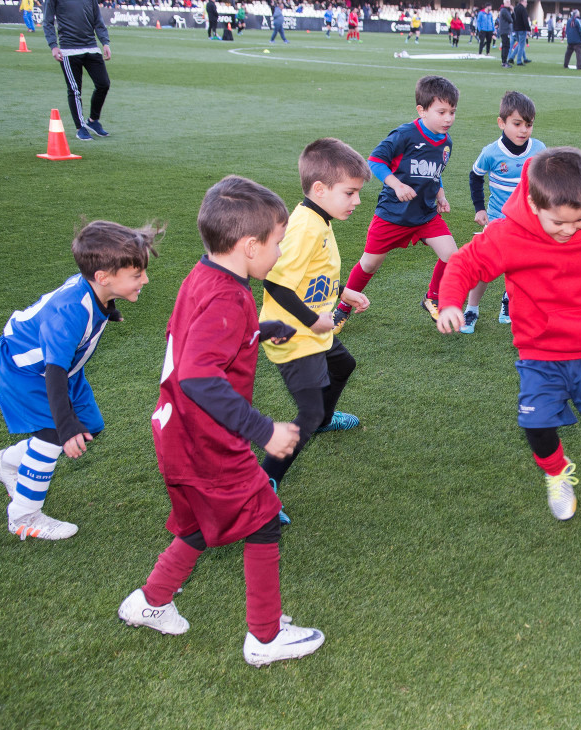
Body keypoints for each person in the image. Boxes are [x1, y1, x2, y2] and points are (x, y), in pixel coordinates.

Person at [117, 176, 326, 667]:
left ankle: (149, 602)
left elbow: (198, 337)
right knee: (263, 522)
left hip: (174, 434)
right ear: (249, 246)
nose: (280, 252)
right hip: (208, 441)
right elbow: (197, 375)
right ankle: (266, 637)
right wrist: (263, 430)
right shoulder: (229, 297)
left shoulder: (206, 277)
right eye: (278, 243)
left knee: (196, 526)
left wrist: (259, 331)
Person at [434, 148, 581, 546]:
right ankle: (557, 473)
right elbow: (463, 265)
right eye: (558, 222)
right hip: (539, 353)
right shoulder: (507, 235)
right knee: (536, 424)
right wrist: (451, 301)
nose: (569, 230)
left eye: (578, 221)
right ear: (533, 203)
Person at [0, 221, 159, 540]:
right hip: (26, 370)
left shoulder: (95, 289)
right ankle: (24, 516)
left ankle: (7, 463)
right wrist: (63, 427)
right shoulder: (69, 313)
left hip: (64, 369)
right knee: (57, 432)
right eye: (137, 275)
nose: (145, 280)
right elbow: (53, 374)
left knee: (88, 427)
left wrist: (110, 311)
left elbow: (88, 317)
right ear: (103, 277)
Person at [259, 139, 371, 522]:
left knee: (343, 365)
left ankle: (324, 420)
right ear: (320, 189)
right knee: (306, 412)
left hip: (312, 329)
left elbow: (315, 273)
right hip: (292, 334)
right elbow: (275, 282)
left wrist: (345, 292)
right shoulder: (304, 226)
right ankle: (263, 485)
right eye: (350, 193)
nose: (356, 201)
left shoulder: (318, 218)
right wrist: (311, 319)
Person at [334, 76, 459, 326]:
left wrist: (441, 196)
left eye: (452, 112)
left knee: (452, 257)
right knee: (369, 265)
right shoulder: (404, 134)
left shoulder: (446, 143)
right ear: (421, 110)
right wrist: (397, 184)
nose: (448, 118)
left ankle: (432, 297)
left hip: (424, 215)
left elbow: (435, 174)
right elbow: (375, 161)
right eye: (442, 112)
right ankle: (343, 307)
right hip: (393, 215)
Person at [464, 91, 547, 332]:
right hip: (498, 220)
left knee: (520, 268)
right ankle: (472, 309)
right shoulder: (491, 152)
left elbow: (545, 180)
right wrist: (479, 208)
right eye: (517, 124)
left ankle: (508, 302)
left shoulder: (539, 149)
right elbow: (475, 177)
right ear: (502, 123)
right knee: (484, 267)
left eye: (528, 125)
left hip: (528, 223)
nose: (523, 130)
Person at [43, 0, 113, 142]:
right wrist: (53, 45)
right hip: (69, 49)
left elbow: (98, 20)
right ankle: (80, 127)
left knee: (103, 84)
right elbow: (48, 21)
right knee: (75, 90)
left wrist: (105, 42)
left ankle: (92, 121)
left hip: (91, 47)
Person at [509, 0, 529, 64]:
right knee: (521, 45)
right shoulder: (523, 9)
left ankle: (512, 57)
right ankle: (519, 60)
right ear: (522, 2)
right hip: (522, 29)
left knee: (519, 44)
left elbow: (512, 18)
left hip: (516, 29)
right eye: (525, 2)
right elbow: (525, 20)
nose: (526, 3)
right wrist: (528, 29)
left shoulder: (515, 9)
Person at [496, 0, 513, 67]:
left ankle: (504, 61)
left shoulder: (507, 10)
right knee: (505, 46)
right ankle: (504, 62)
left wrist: (513, 11)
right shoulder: (504, 10)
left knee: (506, 46)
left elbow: (513, 18)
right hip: (504, 30)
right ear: (505, 3)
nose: (509, 4)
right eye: (508, 2)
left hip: (506, 30)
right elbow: (511, 20)